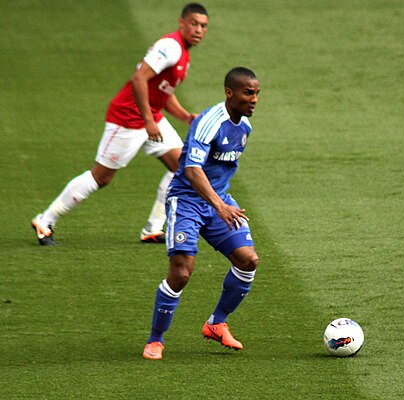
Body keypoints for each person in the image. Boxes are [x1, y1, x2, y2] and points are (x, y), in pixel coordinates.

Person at [31, 3, 209, 246]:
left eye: (203, 26)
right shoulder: (171, 47)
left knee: (182, 167)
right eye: (194, 24)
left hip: (150, 116)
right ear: (181, 23)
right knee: (101, 177)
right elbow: (139, 79)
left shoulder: (184, 55)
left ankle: (152, 228)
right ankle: (45, 220)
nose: (198, 29)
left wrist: (186, 117)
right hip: (128, 117)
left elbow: (163, 93)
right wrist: (148, 121)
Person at [142, 67, 261, 360]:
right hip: (186, 202)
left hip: (219, 202)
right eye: (248, 92)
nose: (254, 99)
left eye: (257, 93)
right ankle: (155, 340)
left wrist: (221, 202)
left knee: (248, 261)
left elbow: (219, 171)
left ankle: (217, 323)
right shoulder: (210, 122)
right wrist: (219, 206)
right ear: (229, 92)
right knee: (181, 272)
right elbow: (193, 170)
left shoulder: (244, 127)